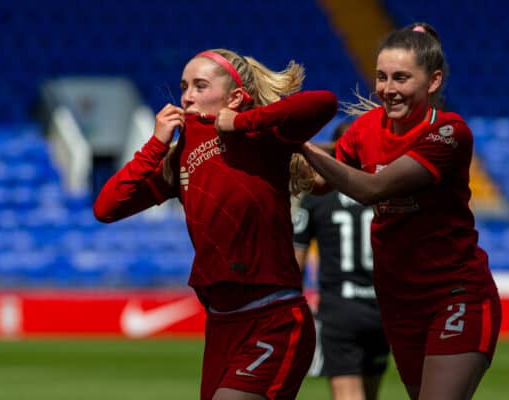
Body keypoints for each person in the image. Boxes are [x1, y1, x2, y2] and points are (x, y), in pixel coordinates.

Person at [93, 48, 338, 400]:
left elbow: (323, 103)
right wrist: (155, 144)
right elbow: (107, 207)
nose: (187, 96)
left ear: (235, 97)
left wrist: (239, 122)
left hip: (274, 317)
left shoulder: (259, 137)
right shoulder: (178, 157)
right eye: (184, 86)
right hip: (222, 325)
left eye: (200, 85)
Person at [299, 23, 502, 400]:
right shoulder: (363, 129)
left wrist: (301, 144)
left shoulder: (449, 133)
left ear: (433, 81)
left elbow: (371, 188)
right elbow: (321, 184)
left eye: (401, 77)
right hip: (398, 302)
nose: (387, 88)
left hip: (455, 294)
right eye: (381, 76)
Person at [292, 121, 389, 400]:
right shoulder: (388, 190)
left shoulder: (318, 197)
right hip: (383, 308)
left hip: (340, 310)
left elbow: (296, 258)